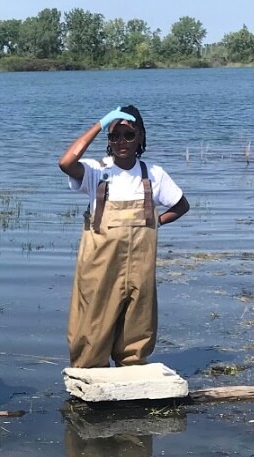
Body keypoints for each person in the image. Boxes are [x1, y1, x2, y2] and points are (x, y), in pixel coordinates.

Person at [58, 105, 189, 369]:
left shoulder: (153, 174)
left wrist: (156, 223)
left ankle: (131, 367)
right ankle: (89, 369)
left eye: (129, 135)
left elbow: (181, 206)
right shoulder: (97, 170)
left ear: (141, 137)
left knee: (138, 315)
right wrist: (100, 123)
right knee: (94, 316)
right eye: (114, 136)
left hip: (140, 260)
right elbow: (66, 162)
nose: (121, 142)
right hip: (99, 262)